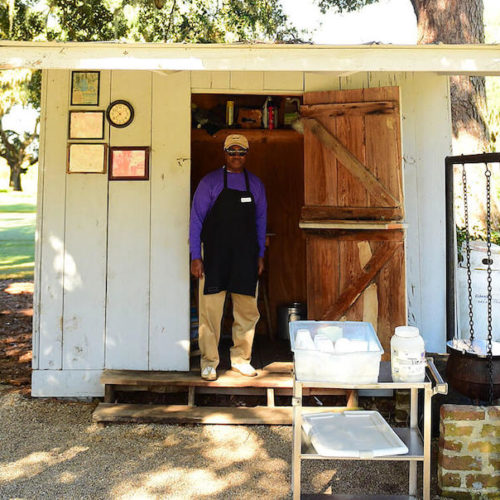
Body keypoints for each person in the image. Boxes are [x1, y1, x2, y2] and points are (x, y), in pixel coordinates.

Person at [190, 134, 267, 381]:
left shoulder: (255, 184)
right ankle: (209, 362)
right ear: (224, 153)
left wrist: (260, 255)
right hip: (214, 255)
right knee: (210, 312)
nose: (236, 156)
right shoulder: (209, 182)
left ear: (247, 154)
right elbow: (196, 220)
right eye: (232, 152)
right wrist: (195, 256)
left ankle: (241, 359)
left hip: (245, 256)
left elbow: (260, 221)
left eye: (241, 152)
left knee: (246, 311)